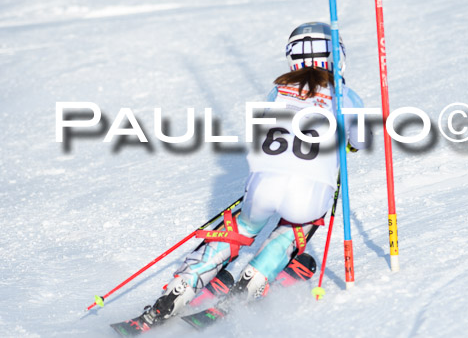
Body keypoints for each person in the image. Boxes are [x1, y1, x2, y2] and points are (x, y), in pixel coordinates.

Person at [136, 22, 368, 327]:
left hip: (263, 183)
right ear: (337, 57)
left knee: (243, 226)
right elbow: (359, 141)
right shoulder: (346, 97)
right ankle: (253, 280)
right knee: (296, 226)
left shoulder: (278, 89)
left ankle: (184, 285)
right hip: (310, 191)